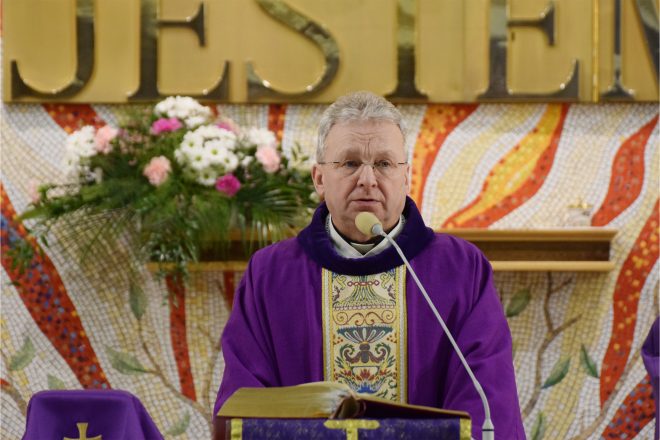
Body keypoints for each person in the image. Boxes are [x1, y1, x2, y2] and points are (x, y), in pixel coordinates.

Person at [214, 91, 525, 439]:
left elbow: (486, 395)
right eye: (349, 163)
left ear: (406, 177)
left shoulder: (461, 269)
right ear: (319, 178)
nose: (367, 179)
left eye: (383, 163)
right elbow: (245, 404)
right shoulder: (271, 275)